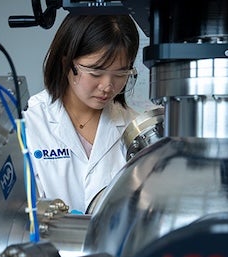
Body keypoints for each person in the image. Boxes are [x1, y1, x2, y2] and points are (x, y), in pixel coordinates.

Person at [24, 14, 141, 213]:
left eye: (121, 74)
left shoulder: (135, 126)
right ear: (66, 63)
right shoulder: (29, 123)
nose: (107, 86)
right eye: (96, 72)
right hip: (49, 243)